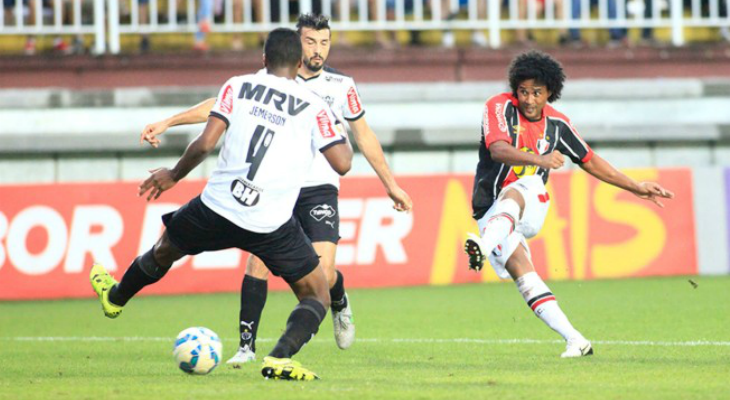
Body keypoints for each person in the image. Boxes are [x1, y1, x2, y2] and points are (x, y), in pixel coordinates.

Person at [139, 13, 413, 365]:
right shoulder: (267, 78)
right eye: (311, 42)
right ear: (297, 45)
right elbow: (217, 107)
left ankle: (339, 298)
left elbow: (364, 135)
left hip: (317, 188)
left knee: (325, 275)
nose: (318, 50)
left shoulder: (341, 86)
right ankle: (246, 347)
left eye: (325, 42)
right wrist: (168, 120)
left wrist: (391, 186)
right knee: (258, 262)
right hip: (273, 185)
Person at [90, 27, 353, 381]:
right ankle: (280, 356)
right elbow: (342, 163)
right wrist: (335, 132)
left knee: (164, 249)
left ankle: (116, 298)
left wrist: (174, 174)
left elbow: (204, 143)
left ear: (264, 59)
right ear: (299, 62)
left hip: (217, 207)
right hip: (270, 222)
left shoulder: (238, 85)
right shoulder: (315, 106)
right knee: (318, 294)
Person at [463, 50, 674, 358]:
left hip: (529, 200)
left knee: (525, 183)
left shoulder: (559, 125)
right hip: (489, 210)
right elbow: (497, 149)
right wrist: (541, 158)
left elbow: (590, 160)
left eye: (537, 92)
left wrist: (636, 187)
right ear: (515, 89)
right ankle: (576, 340)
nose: (530, 99)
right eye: (524, 91)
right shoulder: (499, 107)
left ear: (551, 92)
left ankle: (483, 246)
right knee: (524, 276)